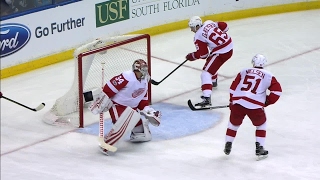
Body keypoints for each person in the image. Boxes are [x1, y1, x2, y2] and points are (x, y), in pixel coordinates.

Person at [88, 59, 161, 155]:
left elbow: (142, 99)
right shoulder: (126, 77)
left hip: (132, 110)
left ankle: (138, 128)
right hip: (118, 106)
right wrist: (100, 102)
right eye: (142, 69)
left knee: (143, 135)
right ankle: (107, 143)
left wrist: (148, 110)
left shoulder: (145, 80)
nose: (145, 71)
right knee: (123, 124)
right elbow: (108, 88)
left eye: (145, 69)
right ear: (136, 69)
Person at [224, 54, 282, 159]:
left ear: (253, 62)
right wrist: (266, 102)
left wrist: (232, 101)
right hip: (255, 106)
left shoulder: (243, 71)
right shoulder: (269, 75)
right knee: (261, 125)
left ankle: (228, 144)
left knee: (233, 124)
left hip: (238, 103)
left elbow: (233, 88)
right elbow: (277, 92)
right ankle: (259, 148)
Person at [186, 16, 234, 107]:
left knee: (206, 73)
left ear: (197, 26)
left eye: (192, 27)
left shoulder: (198, 36)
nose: (191, 30)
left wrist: (192, 56)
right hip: (229, 45)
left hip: (221, 52)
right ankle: (213, 81)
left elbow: (203, 54)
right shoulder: (209, 22)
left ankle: (207, 98)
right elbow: (225, 26)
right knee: (211, 62)